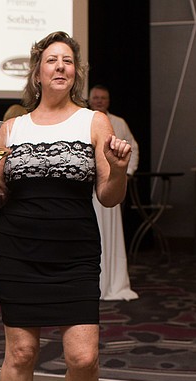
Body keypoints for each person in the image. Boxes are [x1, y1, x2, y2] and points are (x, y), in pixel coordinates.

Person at [0, 31, 131, 381]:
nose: (60, 67)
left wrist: (118, 169)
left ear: (75, 72)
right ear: (37, 71)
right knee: (21, 353)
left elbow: (108, 196)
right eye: (51, 60)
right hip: (18, 251)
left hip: (75, 253)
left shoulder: (94, 121)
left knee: (83, 357)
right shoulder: (12, 128)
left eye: (68, 61)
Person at [88, 84, 139, 300]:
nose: (99, 101)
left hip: (111, 186)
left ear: (108, 101)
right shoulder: (83, 120)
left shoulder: (118, 123)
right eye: (96, 97)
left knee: (110, 232)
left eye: (103, 98)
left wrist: (127, 174)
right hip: (87, 189)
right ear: (90, 99)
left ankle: (111, 281)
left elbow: (133, 148)